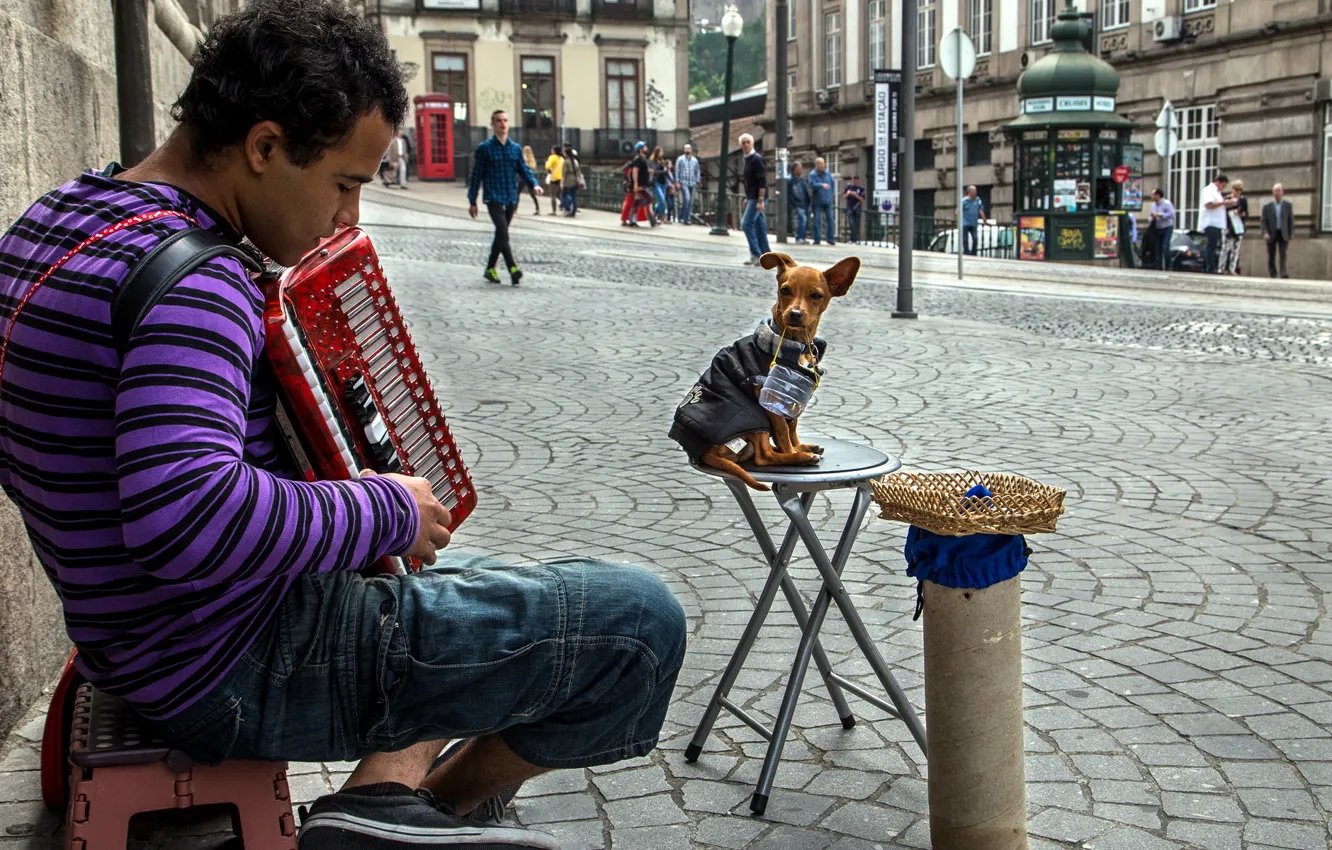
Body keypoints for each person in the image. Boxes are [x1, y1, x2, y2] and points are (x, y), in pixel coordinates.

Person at [0, 3, 686, 849]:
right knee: (639, 625)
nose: (349, 220)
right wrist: (381, 507)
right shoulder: (197, 282)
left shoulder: (62, 218)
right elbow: (184, 515)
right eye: (343, 183)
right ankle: (435, 808)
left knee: (481, 583)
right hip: (232, 665)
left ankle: (382, 802)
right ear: (263, 147)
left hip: (139, 645)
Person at [469, 110, 541, 285]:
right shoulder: (484, 149)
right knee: (503, 231)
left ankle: (490, 268)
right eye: (499, 121)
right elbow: (476, 176)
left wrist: (534, 184)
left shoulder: (515, 148)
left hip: (510, 197)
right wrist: (472, 201)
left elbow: (524, 170)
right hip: (493, 196)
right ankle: (513, 268)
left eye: (505, 120)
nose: (503, 124)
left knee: (500, 235)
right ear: (492, 125)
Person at [739, 133, 771, 265]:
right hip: (753, 197)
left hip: (758, 197)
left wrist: (760, 200)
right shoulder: (747, 159)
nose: (746, 145)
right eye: (743, 143)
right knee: (759, 227)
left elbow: (762, 181)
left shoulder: (756, 159)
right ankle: (767, 256)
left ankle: (756, 254)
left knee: (746, 223)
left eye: (748, 142)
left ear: (752, 144)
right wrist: (748, 197)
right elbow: (749, 182)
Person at [1198, 172, 1236, 274]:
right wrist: (1224, 202)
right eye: (1223, 185)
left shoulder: (1217, 193)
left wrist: (1228, 204)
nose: (1223, 188)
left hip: (1217, 223)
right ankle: (1210, 267)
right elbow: (1209, 204)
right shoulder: (1208, 190)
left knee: (1214, 246)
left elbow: (1218, 206)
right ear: (1218, 182)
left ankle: (1211, 266)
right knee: (1211, 245)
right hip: (1210, 222)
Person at [1261, 182, 1295, 278]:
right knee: (1271, 254)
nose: (1277, 193)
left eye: (1279, 190)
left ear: (1282, 192)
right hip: (1271, 232)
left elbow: (1291, 220)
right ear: (1273, 193)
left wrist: (1291, 232)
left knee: (1283, 254)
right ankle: (1273, 272)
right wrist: (1265, 232)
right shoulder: (1267, 206)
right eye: (1275, 191)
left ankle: (1283, 272)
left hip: (1283, 232)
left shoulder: (1288, 205)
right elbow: (1263, 221)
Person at [1219, 178, 1248, 275]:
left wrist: (1241, 213)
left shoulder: (1243, 200)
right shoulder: (1227, 199)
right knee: (1225, 248)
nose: (1238, 192)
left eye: (1240, 190)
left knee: (1236, 249)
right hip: (1228, 226)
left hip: (1238, 227)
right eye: (1236, 189)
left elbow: (1246, 213)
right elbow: (1222, 212)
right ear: (1232, 189)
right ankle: (1221, 267)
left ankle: (1232, 268)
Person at [628, 141, 658, 227]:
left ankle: (632, 220)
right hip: (640, 185)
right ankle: (652, 220)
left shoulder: (643, 159)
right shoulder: (638, 159)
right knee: (648, 197)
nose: (646, 148)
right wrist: (635, 184)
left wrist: (649, 171)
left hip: (644, 184)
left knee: (637, 202)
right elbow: (635, 171)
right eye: (645, 147)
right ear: (640, 149)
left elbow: (642, 170)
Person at [809, 156, 835, 246]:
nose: (822, 165)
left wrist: (831, 193)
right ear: (816, 164)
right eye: (820, 163)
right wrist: (821, 185)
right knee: (817, 220)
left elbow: (832, 183)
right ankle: (817, 238)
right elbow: (812, 185)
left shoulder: (828, 173)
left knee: (830, 219)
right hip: (818, 200)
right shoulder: (813, 174)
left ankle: (831, 239)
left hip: (828, 200)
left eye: (823, 163)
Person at [1147, 187, 1175, 271]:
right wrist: (1151, 219)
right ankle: (1158, 266)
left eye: (1153, 194)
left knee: (1165, 246)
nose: (1151, 196)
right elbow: (1150, 215)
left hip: (1167, 227)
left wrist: (1160, 214)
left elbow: (1172, 214)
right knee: (1157, 248)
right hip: (1157, 227)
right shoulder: (1153, 205)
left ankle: (1168, 266)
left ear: (1158, 195)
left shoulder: (1167, 203)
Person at [674, 143, 700, 225]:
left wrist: (697, 180)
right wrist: (677, 181)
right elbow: (677, 170)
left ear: (691, 150)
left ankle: (686, 218)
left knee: (690, 202)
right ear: (684, 150)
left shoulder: (695, 160)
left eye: (688, 148)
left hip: (692, 182)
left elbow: (697, 171)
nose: (687, 150)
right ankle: (683, 217)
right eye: (686, 148)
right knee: (687, 199)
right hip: (683, 182)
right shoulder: (680, 159)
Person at [788, 161, 810, 242]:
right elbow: (789, 193)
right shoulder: (790, 180)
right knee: (802, 219)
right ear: (794, 170)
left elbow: (805, 191)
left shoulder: (802, 180)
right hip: (797, 203)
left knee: (804, 220)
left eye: (801, 168)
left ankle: (803, 237)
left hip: (804, 203)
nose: (801, 170)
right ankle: (799, 237)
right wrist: (794, 203)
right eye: (799, 168)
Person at [961, 185, 985, 256]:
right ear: (970, 192)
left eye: (975, 191)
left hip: (974, 223)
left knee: (975, 238)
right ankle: (966, 252)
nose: (975, 192)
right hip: (965, 223)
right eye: (974, 191)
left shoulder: (977, 200)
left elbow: (980, 210)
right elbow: (957, 212)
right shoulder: (964, 201)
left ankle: (973, 253)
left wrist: (984, 219)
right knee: (965, 239)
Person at [560, 147, 583, 217]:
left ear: (566, 154)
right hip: (576, 180)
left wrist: (562, 182)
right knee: (574, 196)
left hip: (568, 180)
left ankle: (567, 208)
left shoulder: (566, 161)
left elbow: (564, 173)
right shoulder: (575, 161)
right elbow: (578, 171)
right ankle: (574, 210)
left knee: (564, 195)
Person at [843, 175, 866, 245]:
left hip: (857, 207)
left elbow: (862, 199)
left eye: (856, 181)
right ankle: (852, 238)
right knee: (851, 223)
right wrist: (848, 193)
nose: (855, 182)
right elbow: (844, 196)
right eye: (854, 180)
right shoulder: (848, 187)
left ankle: (854, 239)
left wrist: (856, 195)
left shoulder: (861, 188)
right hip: (850, 207)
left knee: (857, 224)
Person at [650, 146, 669, 221]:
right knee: (661, 199)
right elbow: (654, 172)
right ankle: (662, 216)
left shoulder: (662, 161)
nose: (662, 153)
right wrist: (663, 171)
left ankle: (654, 213)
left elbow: (666, 172)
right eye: (661, 152)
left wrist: (666, 170)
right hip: (656, 182)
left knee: (662, 200)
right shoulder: (652, 162)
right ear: (657, 153)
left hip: (663, 182)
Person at [521, 144, 541, 214]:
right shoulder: (532, 159)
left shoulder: (523, 158)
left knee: (517, 192)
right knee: (532, 194)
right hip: (531, 178)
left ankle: (514, 208)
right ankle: (537, 208)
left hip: (523, 178)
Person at [543, 145, 563, 214]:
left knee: (553, 195)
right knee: (559, 194)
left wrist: (546, 163)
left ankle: (554, 211)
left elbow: (548, 166)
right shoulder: (561, 158)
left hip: (553, 178)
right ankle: (566, 204)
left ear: (554, 151)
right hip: (560, 178)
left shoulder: (552, 157)